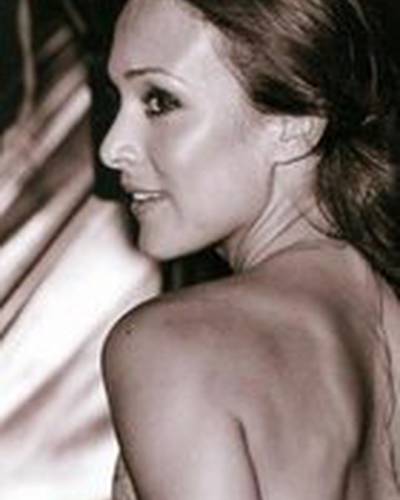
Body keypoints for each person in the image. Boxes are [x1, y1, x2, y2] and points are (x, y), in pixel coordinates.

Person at [99, 0, 400, 498]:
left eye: (160, 101)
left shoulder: (175, 346)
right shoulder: (382, 322)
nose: (112, 148)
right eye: (118, 99)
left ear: (294, 123)